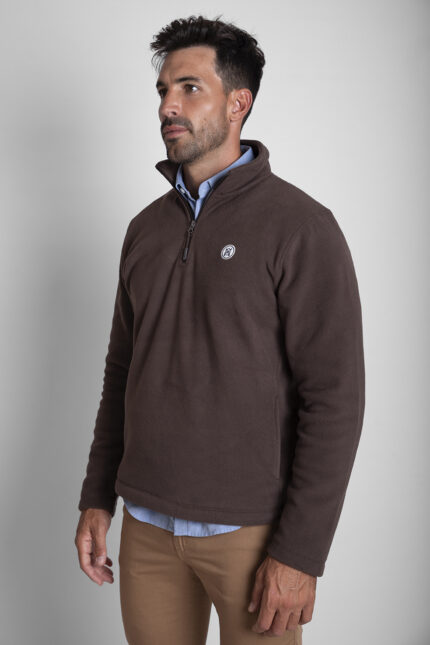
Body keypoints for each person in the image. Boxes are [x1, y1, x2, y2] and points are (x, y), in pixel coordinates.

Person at [74, 14, 365, 645]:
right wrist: (97, 495)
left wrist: (301, 554)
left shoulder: (301, 227)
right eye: (163, 90)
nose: (167, 106)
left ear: (239, 103)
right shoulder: (144, 230)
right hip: (146, 528)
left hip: (252, 538)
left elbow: (335, 399)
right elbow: (121, 372)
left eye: (189, 88)